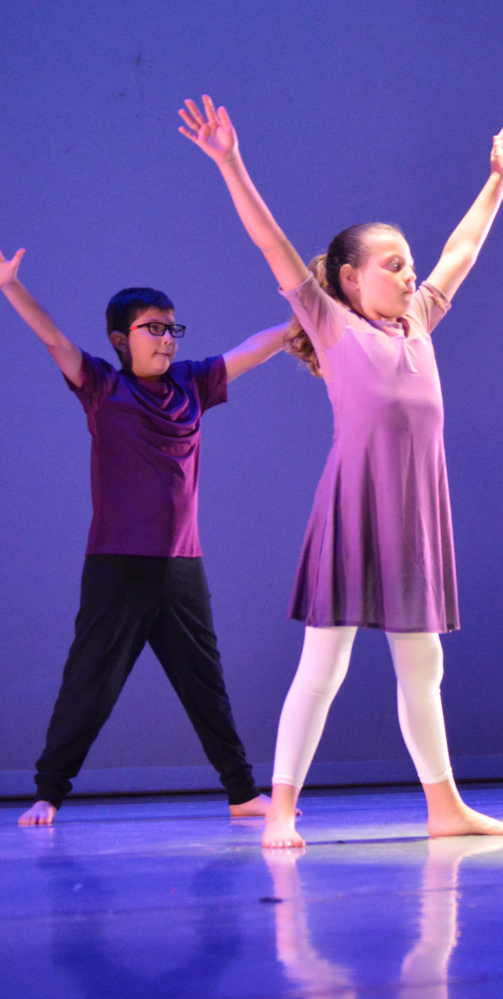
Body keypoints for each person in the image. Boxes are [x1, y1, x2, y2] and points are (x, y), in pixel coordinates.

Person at [179, 94, 503, 846]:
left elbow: (462, 250)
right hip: (355, 506)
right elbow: (271, 242)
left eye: (409, 264)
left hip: (417, 513)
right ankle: (280, 806)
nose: (409, 275)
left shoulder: (422, 320)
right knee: (325, 664)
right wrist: (231, 162)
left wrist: (494, 184)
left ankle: (444, 809)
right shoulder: (330, 323)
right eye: (392, 265)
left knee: (423, 662)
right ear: (346, 279)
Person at [0, 245, 288, 825]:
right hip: (118, 565)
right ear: (118, 338)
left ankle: (241, 793)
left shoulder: (192, 384)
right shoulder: (103, 388)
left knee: (205, 683)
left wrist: (307, 315)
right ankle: (48, 793)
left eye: (171, 328)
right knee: (90, 683)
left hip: (182, 567)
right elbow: (55, 340)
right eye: (152, 329)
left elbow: (253, 350)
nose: (166, 339)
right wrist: (11, 288)